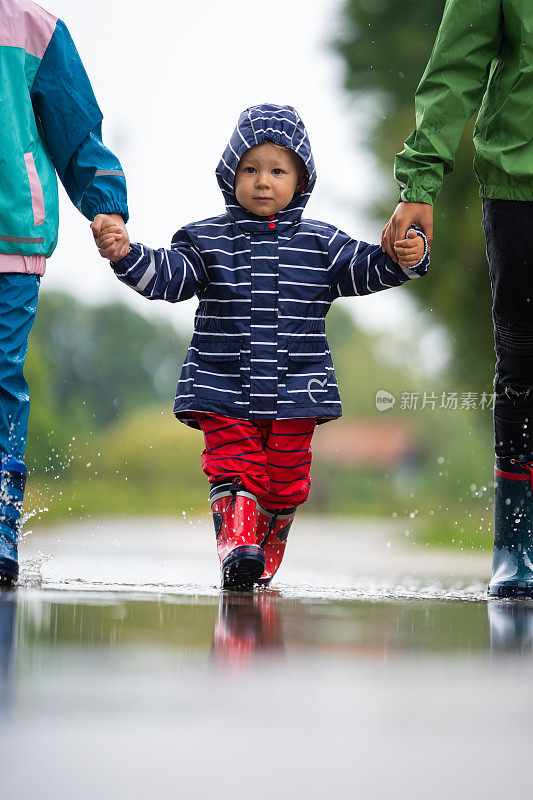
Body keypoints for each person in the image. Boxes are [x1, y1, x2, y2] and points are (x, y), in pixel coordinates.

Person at [95, 103, 429, 591]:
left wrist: (407, 256)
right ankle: (237, 545)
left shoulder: (322, 245)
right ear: (231, 174)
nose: (263, 181)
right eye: (250, 169)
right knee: (235, 468)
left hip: (298, 391)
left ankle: (265, 546)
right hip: (222, 385)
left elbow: (369, 269)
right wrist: (127, 253)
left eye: (277, 170)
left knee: (286, 481)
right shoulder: (206, 240)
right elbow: (170, 277)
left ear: (300, 180)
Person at [381, 0, 533, 599]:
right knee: (523, 359)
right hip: (523, 177)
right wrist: (421, 181)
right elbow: (457, 64)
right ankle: (517, 541)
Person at [0, 0, 129, 587]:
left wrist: (105, 204)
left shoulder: (34, 28)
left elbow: (77, 126)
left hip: (11, 235)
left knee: (1, 375)